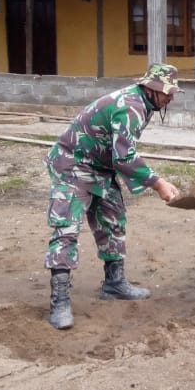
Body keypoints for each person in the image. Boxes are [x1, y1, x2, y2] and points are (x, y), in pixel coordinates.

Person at [43, 63, 182, 330]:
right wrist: (158, 183)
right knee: (66, 229)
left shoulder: (146, 104)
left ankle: (114, 283)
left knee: (113, 219)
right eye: (168, 91)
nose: (171, 96)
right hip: (72, 163)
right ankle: (59, 301)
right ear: (151, 88)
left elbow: (119, 153)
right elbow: (125, 157)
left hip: (99, 166)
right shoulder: (130, 106)